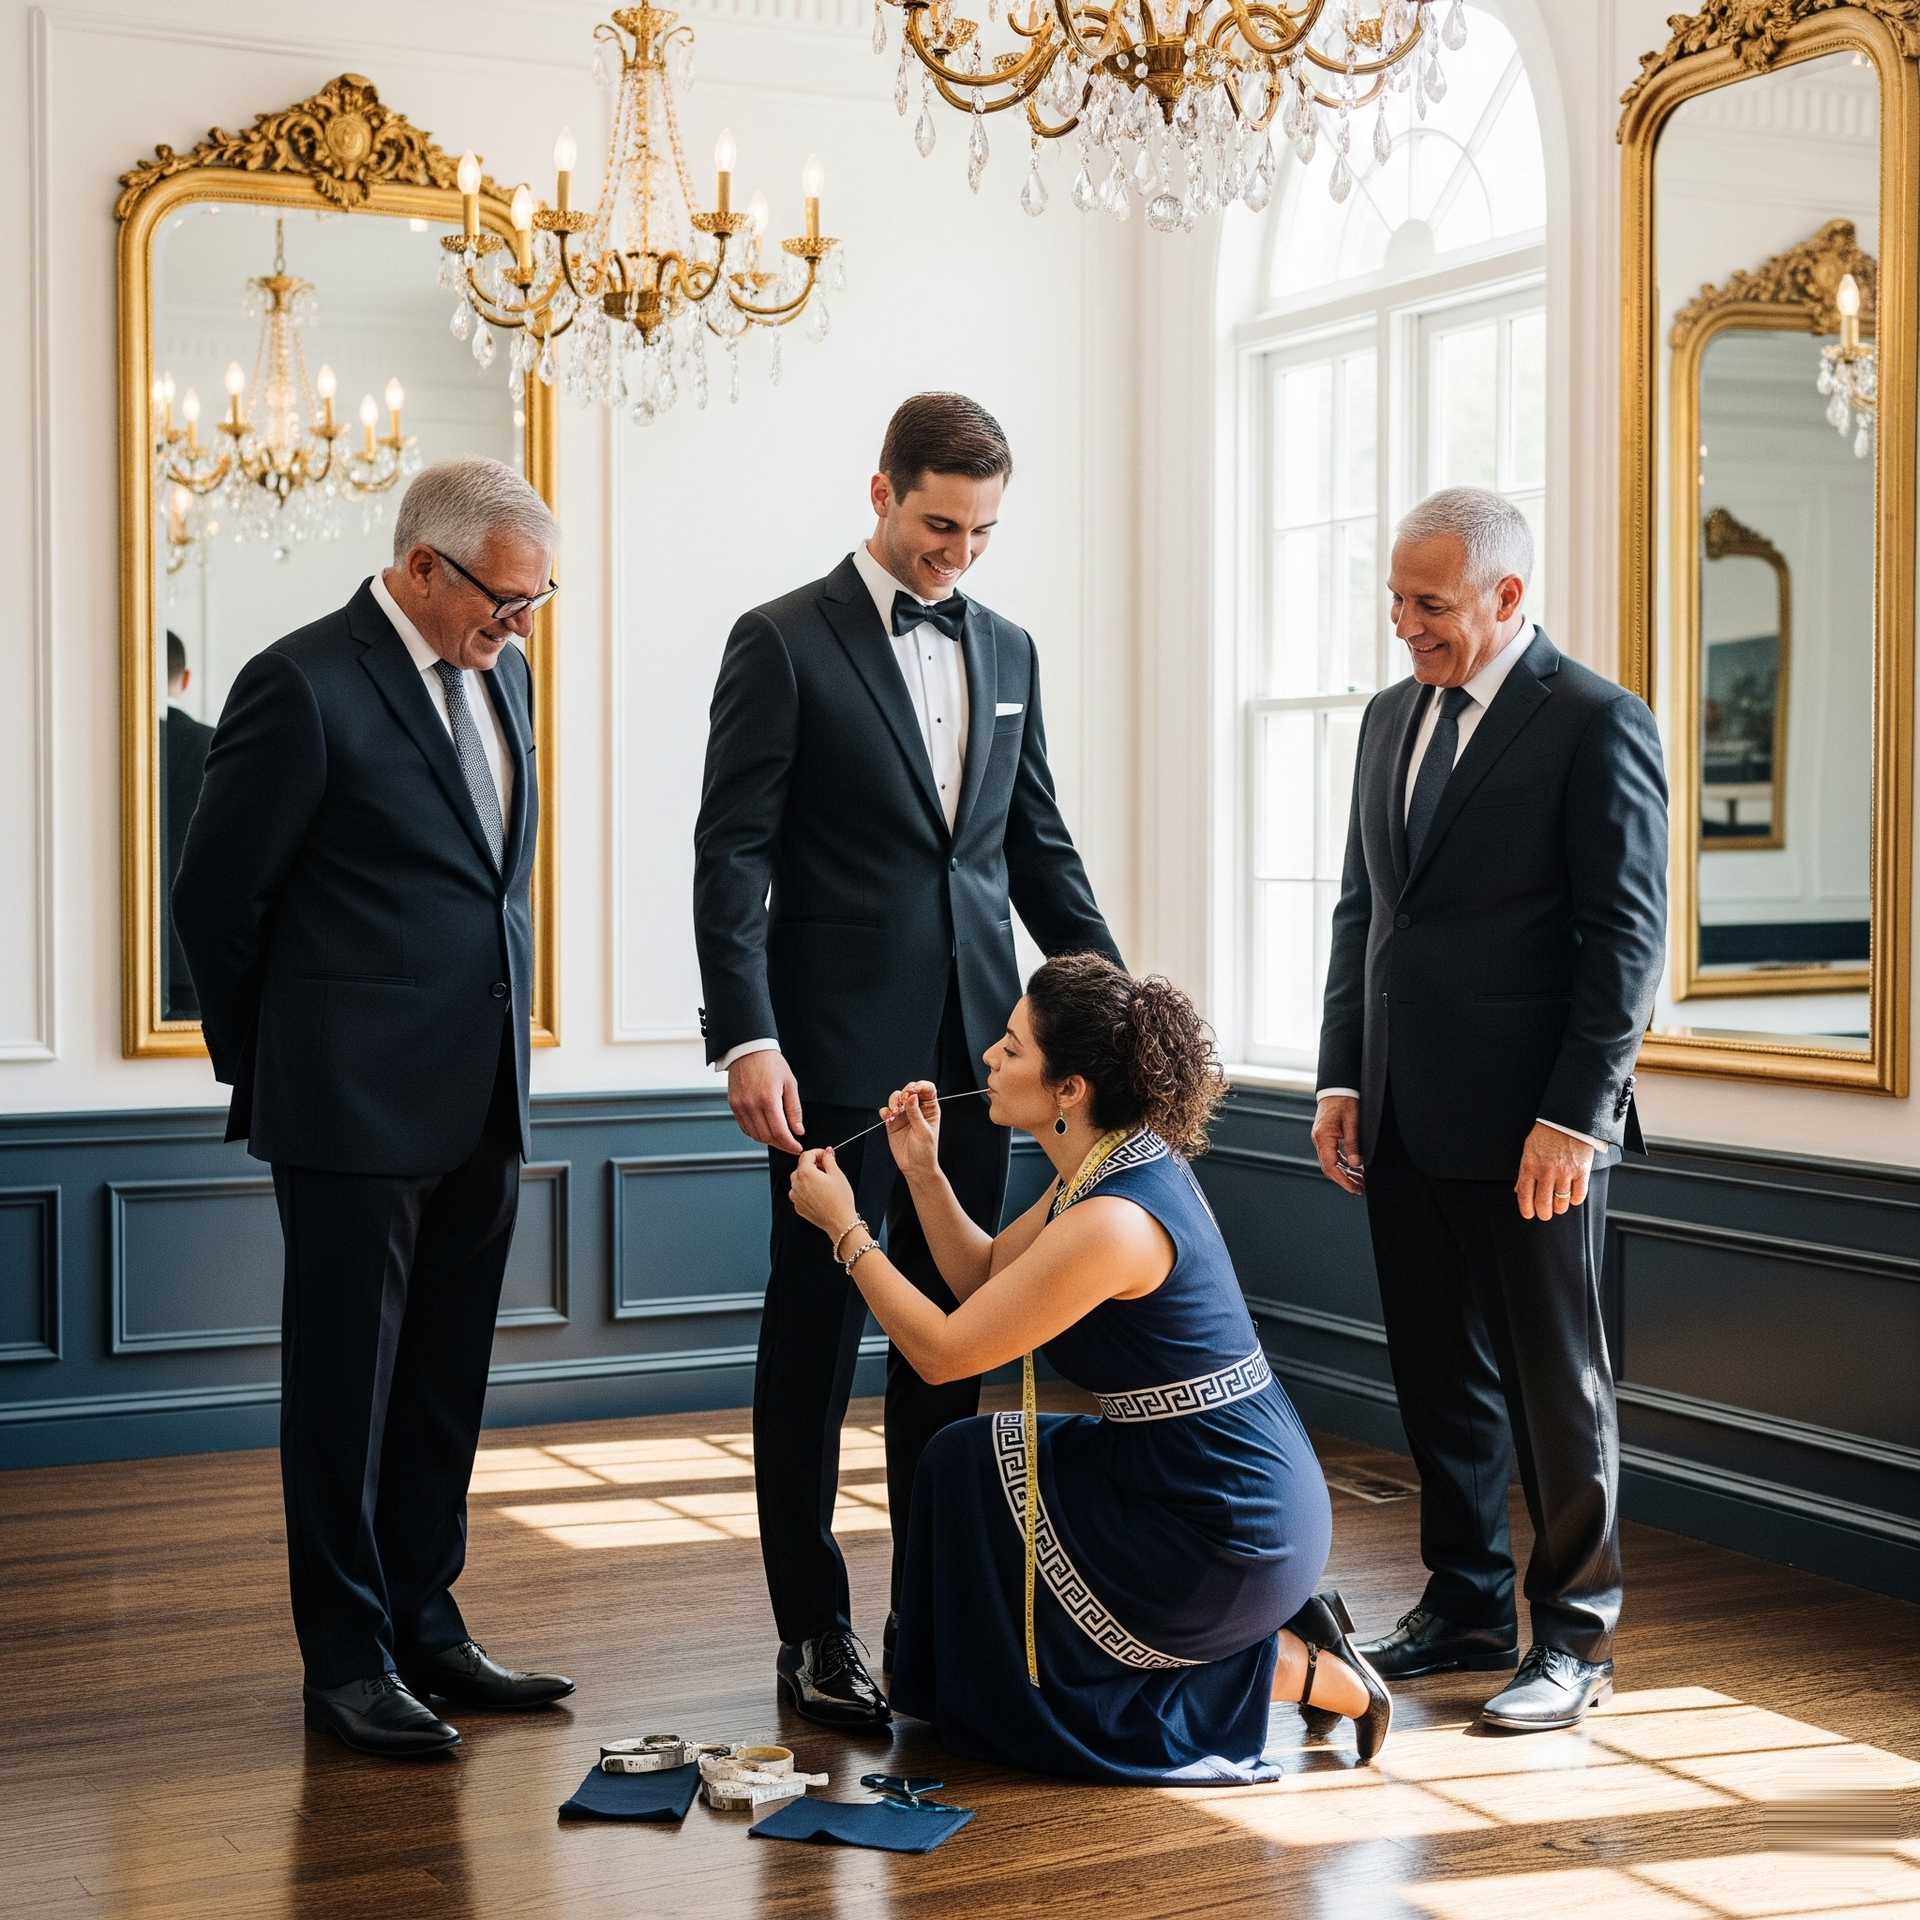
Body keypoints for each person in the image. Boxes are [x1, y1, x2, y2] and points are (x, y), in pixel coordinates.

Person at [693, 393, 1122, 1728]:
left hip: (981, 1047)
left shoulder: (1008, 646)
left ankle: (930, 1617)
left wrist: (1121, 1010)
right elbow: (733, 854)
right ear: (879, 490)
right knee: (815, 1338)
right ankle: (813, 1633)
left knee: (958, 1340)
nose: (959, 553)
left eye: (982, 531)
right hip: (828, 1052)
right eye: (940, 524)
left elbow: (1031, 847)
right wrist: (747, 1031)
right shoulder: (780, 640)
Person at [172, 458, 575, 1759]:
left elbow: (485, 890)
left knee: (445, 1384)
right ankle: (346, 1661)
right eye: (507, 602)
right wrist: (285, 1063)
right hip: (348, 1107)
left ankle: (427, 1623)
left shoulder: (503, 675)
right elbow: (214, 903)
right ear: (422, 568)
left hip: (482, 1097)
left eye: (536, 605)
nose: (519, 629)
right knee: (345, 1395)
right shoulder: (299, 682)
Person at [787, 953, 1391, 1780]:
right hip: (1171, 1469)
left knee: (1073, 1702)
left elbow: (940, 1353)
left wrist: (845, 1232)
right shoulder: (1102, 1165)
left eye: (1012, 1046)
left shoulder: (1112, 1217)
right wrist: (923, 1172)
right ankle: (967, 1692)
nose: (989, 1060)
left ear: (1068, 1088)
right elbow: (985, 1280)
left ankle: (1307, 1669)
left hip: (1227, 1522)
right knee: (962, 1461)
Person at [1310, 486, 1667, 1733]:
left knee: (1556, 1388)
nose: (1404, 626)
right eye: (1397, 600)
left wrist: (1578, 1117)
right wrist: (1342, 1075)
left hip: (1537, 1136)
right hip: (1402, 1114)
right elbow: (1366, 911)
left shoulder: (1595, 723)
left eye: (1430, 604)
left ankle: (1576, 1640)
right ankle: (1464, 1606)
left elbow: (1627, 941)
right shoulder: (1384, 720)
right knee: (1438, 1381)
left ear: (1508, 597)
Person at [159, 629, 214, 1022]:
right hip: (195, 955)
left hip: (100, 954)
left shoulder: (94, 743)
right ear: (186, 678)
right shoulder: (217, 745)